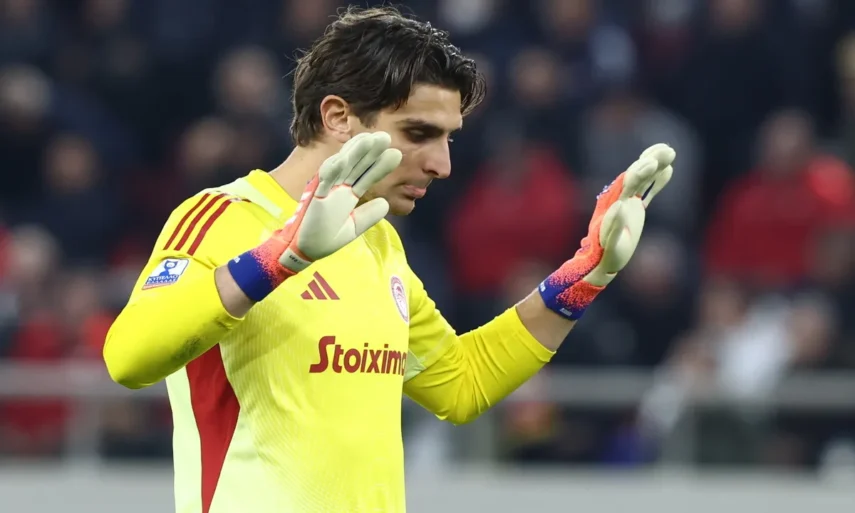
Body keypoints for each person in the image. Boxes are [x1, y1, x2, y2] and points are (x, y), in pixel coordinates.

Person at [103, 6, 676, 513]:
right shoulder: (223, 218)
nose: (442, 165)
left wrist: (584, 274)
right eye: (419, 133)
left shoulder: (377, 242)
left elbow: (459, 382)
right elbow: (128, 358)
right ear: (338, 116)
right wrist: (281, 259)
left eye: (448, 138)